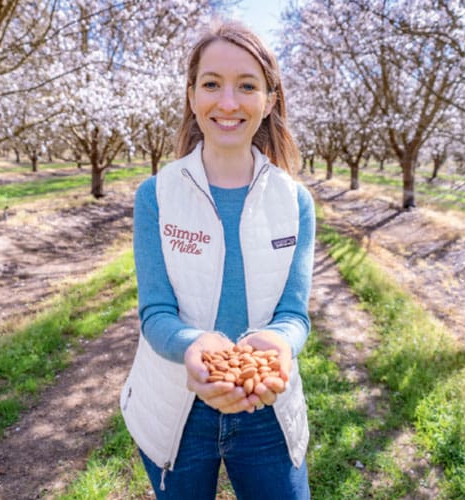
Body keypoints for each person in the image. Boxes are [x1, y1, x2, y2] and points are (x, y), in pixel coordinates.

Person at [120, 20, 315, 499]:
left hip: (267, 410)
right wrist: (194, 347)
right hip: (175, 411)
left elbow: (294, 315)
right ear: (191, 96)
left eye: (247, 86)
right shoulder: (156, 196)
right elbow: (156, 313)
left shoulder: (295, 202)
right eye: (211, 84)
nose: (228, 103)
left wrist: (278, 345)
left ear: (269, 99)